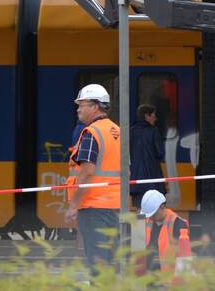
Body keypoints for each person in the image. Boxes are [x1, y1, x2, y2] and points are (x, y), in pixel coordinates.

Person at [65, 84, 121, 270]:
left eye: (82, 104)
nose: (78, 108)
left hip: (93, 206)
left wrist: (73, 205)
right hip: (114, 205)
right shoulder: (117, 131)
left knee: (97, 264)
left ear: (95, 106)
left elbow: (87, 172)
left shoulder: (91, 133)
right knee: (110, 263)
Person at [140, 189, 189, 273]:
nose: (150, 217)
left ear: (162, 206)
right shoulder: (146, 222)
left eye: (153, 214)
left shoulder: (179, 224)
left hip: (169, 280)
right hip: (148, 277)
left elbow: (184, 258)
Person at [130, 104, 165, 207]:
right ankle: (149, 224)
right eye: (153, 115)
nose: (155, 118)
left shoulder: (131, 132)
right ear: (146, 116)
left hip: (136, 177)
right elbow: (160, 153)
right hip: (153, 177)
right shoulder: (153, 131)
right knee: (154, 208)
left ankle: (141, 223)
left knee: (139, 208)